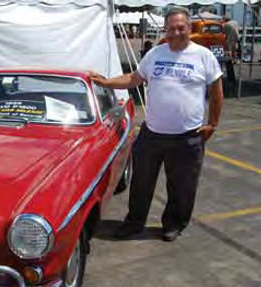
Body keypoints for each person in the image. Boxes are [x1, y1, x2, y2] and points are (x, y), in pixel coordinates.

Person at [89, 6, 224, 242]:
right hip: (152, 134)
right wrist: (107, 82)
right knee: (141, 183)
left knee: (181, 187)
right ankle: (134, 224)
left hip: (187, 136)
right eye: (171, 28)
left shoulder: (203, 56)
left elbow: (216, 90)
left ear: (189, 28)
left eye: (181, 27)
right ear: (165, 29)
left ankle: (174, 224)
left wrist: (212, 123)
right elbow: (134, 78)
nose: (176, 32)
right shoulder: (155, 54)